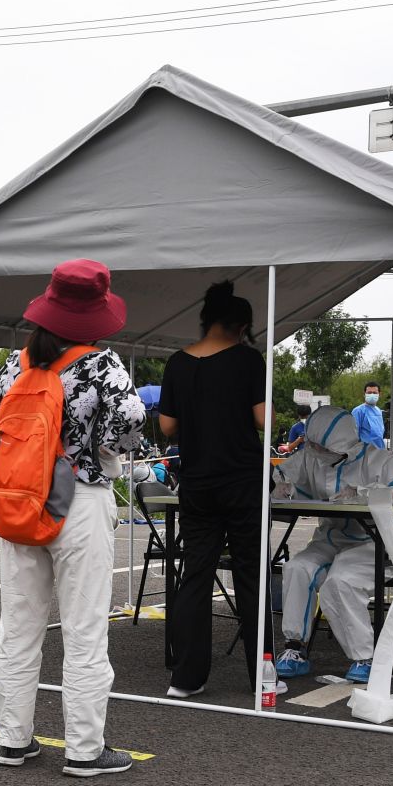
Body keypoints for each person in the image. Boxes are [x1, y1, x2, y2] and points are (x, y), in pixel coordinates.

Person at [0, 259, 146, 777]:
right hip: (80, 500)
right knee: (85, 629)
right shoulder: (101, 364)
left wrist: (21, 456)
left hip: (23, 500)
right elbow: (131, 420)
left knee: (18, 628)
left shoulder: (20, 362)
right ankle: (85, 750)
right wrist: (101, 448)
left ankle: (12, 741)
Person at [156, 280, 267, 698]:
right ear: (241, 325)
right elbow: (262, 419)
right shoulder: (248, 361)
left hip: (197, 481)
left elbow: (167, 426)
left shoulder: (177, 363)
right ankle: (261, 674)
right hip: (241, 478)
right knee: (250, 573)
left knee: (195, 576)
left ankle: (187, 677)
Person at [272, 406, 393, 683]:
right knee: (297, 568)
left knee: (340, 581)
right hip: (330, 539)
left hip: (374, 542)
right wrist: (280, 485)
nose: (314, 450)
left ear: (342, 444)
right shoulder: (312, 457)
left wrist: (365, 494)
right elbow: (283, 474)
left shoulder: (379, 460)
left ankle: (365, 658)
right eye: (312, 444)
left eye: (321, 446)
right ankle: (294, 648)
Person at [354, 380, 385, 447]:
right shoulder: (358, 411)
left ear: (379, 394)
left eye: (374, 393)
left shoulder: (379, 411)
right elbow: (354, 435)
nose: (372, 395)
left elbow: (380, 434)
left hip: (378, 451)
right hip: (364, 452)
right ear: (364, 394)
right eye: (369, 392)